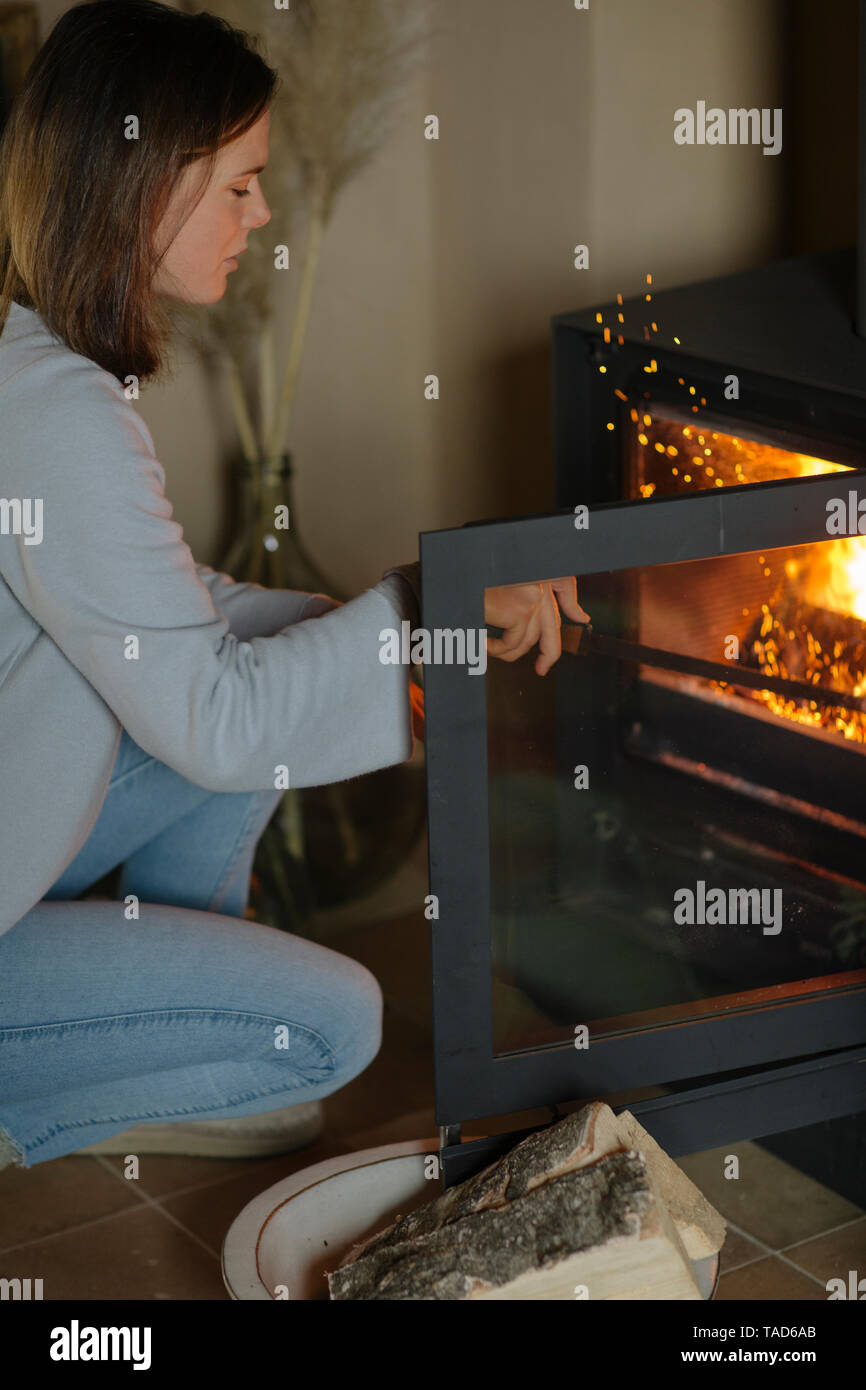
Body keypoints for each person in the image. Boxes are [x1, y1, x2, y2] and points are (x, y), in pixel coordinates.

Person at [0, 0, 585, 1172]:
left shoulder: (32, 364)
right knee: (330, 1028)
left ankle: (168, 998)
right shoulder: (59, 414)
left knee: (289, 649)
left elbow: (183, 617)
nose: (260, 212)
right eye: (238, 184)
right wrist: (423, 606)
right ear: (143, 181)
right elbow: (218, 719)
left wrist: (419, 600)